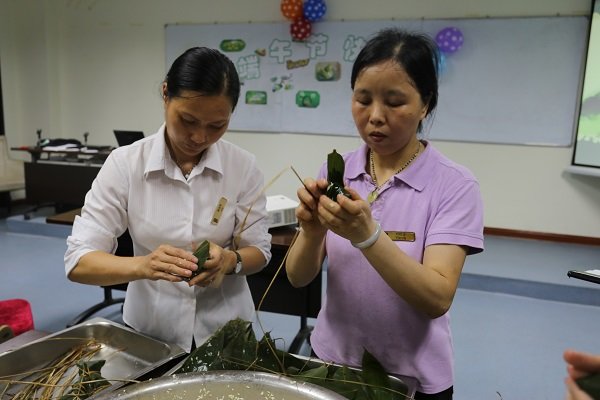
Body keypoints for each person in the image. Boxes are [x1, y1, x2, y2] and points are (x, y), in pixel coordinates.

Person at [285, 28, 484, 399]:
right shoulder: (337, 170)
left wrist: (368, 236)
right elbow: (298, 278)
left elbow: (436, 297)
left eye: (394, 102)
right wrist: (311, 231)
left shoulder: (454, 185)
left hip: (412, 379)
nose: (375, 117)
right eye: (363, 99)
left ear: (426, 104)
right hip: (331, 362)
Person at [64, 47, 271, 352]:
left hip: (226, 333)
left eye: (217, 125)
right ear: (165, 94)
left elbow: (260, 251)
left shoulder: (242, 166)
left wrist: (230, 261)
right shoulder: (125, 164)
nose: (199, 137)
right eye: (187, 120)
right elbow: (79, 262)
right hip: (149, 332)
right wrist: (144, 266)